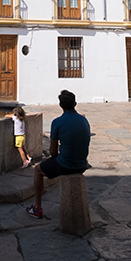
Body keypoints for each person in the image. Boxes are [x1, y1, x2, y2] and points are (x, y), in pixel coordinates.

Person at [26, 90, 91, 219]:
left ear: (60, 105)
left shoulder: (57, 122)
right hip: (83, 164)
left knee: (38, 170)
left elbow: (53, 151)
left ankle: (37, 208)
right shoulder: (84, 120)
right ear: (75, 103)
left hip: (66, 164)